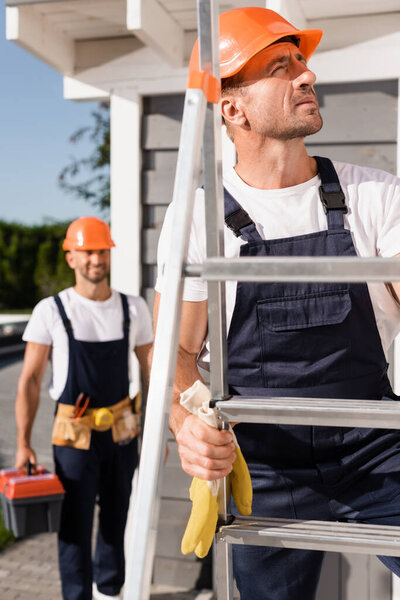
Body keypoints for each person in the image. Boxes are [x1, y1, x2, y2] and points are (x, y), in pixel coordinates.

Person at [154, 7, 400, 600]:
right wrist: (187, 424)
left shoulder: (375, 196)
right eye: (280, 65)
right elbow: (176, 354)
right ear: (232, 107)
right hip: (261, 464)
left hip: (377, 445)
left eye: (303, 61)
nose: (306, 75)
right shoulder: (198, 221)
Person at [15, 216, 153, 600]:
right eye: (87, 251)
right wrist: (24, 444)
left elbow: (153, 372)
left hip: (122, 433)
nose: (96, 258)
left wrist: (162, 430)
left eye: (102, 250)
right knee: (73, 523)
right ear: (71, 258)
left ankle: (109, 591)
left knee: (115, 517)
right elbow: (28, 380)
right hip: (72, 435)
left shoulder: (133, 309)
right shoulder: (52, 310)